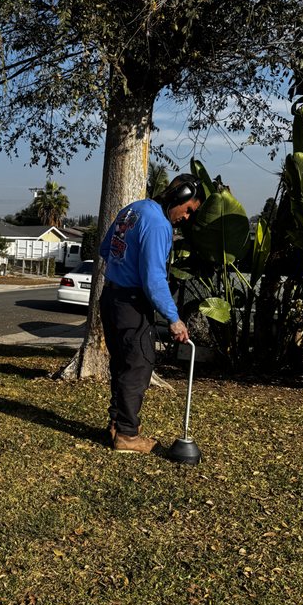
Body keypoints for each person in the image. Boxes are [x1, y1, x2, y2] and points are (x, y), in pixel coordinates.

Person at [98, 174, 204, 454]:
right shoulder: (158, 224)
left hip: (110, 298)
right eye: (188, 209)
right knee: (138, 365)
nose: (187, 217)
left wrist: (125, 267)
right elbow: (154, 279)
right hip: (131, 303)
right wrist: (174, 319)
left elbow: (105, 249)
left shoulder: (133, 209)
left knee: (122, 364)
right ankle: (127, 435)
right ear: (179, 197)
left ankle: (117, 423)